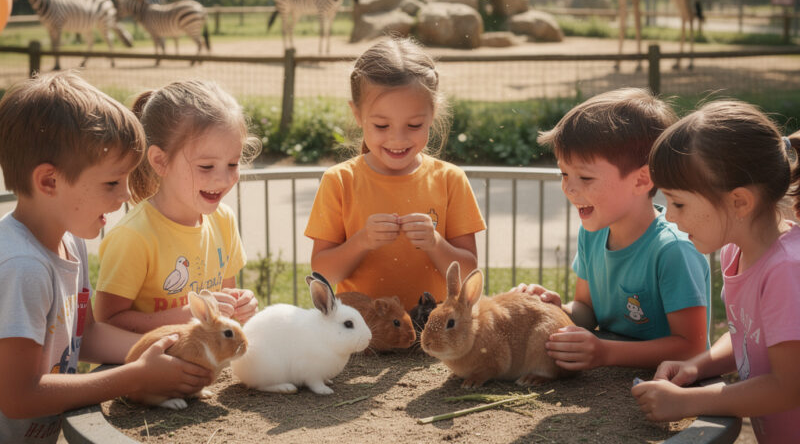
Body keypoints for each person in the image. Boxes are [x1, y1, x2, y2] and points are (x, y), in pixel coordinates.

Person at [0, 72, 212, 443]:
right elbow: (19, 397)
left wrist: (170, 350)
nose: (125, 194)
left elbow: (88, 334)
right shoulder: (24, 268)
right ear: (49, 181)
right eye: (112, 183)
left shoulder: (71, 240)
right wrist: (136, 376)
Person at [633, 100, 800, 442]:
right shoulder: (734, 252)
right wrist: (699, 365)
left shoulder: (787, 271)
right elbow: (748, 333)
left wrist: (686, 402)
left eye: (678, 203)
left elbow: (788, 387)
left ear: (739, 202)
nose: (670, 216)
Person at [514, 88, 710, 370]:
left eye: (585, 177)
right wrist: (555, 310)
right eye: (564, 173)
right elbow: (587, 310)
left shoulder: (673, 250)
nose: (568, 188)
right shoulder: (592, 233)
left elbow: (691, 347)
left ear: (642, 180)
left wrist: (605, 352)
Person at [305, 37, 485, 310]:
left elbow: (469, 273)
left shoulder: (450, 180)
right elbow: (324, 274)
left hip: (434, 332)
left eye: (414, 125)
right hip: (362, 334)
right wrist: (362, 241)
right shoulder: (339, 181)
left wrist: (435, 243)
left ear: (433, 113)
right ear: (357, 114)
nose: (398, 139)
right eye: (381, 125)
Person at [94, 79, 261, 332]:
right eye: (206, 166)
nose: (224, 179)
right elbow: (105, 323)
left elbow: (225, 301)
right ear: (160, 161)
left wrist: (240, 304)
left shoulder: (223, 220)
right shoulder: (133, 237)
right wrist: (187, 314)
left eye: (233, 164)